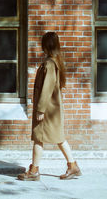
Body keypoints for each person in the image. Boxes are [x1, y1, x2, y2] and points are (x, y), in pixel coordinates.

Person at [18, 32, 81, 181]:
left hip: (47, 110)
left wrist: (40, 109)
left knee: (39, 137)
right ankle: (72, 166)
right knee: (55, 138)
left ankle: (34, 171)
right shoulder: (54, 62)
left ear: (45, 45)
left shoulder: (49, 64)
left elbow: (46, 88)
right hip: (53, 109)